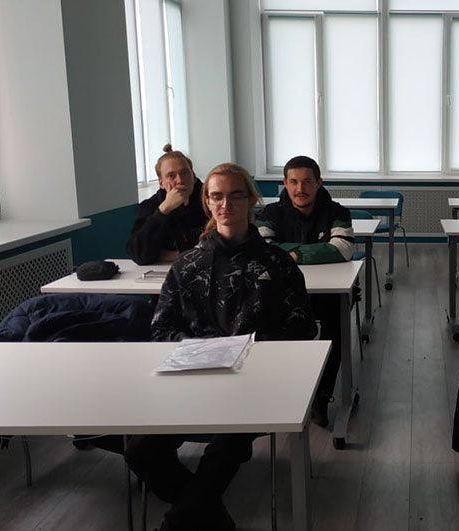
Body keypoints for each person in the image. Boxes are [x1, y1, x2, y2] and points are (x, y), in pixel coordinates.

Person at [126, 163, 318, 531]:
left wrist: (249, 350)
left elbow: (301, 326)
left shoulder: (277, 263)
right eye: (217, 196)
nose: (226, 204)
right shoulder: (187, 265)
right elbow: (161, 328)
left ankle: (176, 525)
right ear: (208, 202)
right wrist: (202, 351)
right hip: (194, 378)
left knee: (228, 444)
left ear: (251, 201)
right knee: (140, 449)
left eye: (235, 196)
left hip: (255, 381)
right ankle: (212, 520)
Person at [256, 155, 354, 426]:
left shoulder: (337, 212)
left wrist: (292, 254)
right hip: (282, 293)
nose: (301, 189)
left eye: (307, 182)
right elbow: (261, 248)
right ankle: (288, 389)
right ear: (285, 183)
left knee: (336, 327)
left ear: (319, 182)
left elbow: (343, 249)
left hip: (329, 294)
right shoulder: (271, 213)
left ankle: (322, 394)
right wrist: (316, 252)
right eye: (294, 182)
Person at [126, 144, 207, 265]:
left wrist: (172, 254)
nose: (180, 180)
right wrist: (164, 210)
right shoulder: (150, 206)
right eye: (171, 176)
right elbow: (139, 255)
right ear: (161, 183)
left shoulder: (210, 200)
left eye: (185, 172)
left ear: (194, 177)